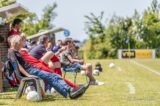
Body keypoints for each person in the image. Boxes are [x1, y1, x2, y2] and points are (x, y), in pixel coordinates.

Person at [8, 35, 89, 99]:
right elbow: (17, 65)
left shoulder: (15, 51)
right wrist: (27, 75)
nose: (22, 44)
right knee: (51, 77)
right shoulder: (11, 51)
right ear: (16, 43)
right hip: (31, 70)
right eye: (20, 42)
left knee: (54, 76)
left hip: (33, 69)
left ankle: (70, 91)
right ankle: (69, 91)